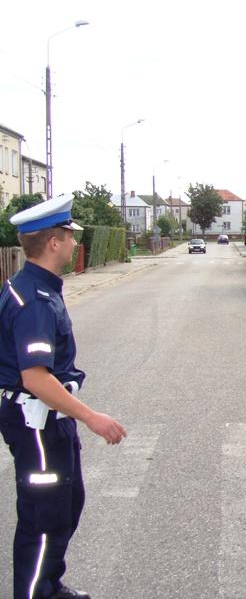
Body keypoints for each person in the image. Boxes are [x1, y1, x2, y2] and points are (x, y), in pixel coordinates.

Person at [0, 197, 127, 599]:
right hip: (36, 422)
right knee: (44, 516)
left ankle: (48, 585)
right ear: (53, 242)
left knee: (66, 504)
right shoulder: (33, 300)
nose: (75, 244)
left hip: (50, 419)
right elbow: (35, 377)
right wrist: (91, 417)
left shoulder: (40, 288)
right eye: (71, 236)